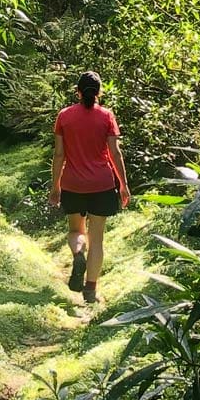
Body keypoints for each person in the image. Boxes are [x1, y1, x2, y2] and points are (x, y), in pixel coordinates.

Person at [48, 70, 130, 304]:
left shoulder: (64, 116)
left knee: (76, 231)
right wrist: (123, 184)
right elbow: (115, 152)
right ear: (99, 92)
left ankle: (77, 255)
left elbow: (59, 154)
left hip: (73, 183)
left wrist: (55, 186)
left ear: (78, 92)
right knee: (98, 238)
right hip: (102, 184)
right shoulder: (106, 116)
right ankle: (91, 290)